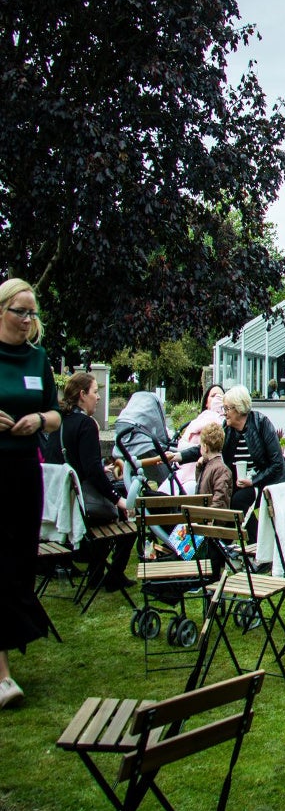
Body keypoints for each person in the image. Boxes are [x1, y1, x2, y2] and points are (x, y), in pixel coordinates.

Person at [0, 279, 60, 709]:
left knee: (21, 559)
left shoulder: (39, 360)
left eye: (33, 313)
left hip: (25, 470)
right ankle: (1, 672)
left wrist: (38, 419)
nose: (28, 320)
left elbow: (57, 412)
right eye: (21, 311)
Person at [57, 372, 133, 591]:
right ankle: (114, 575)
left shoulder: (60, 423)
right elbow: (92, 472)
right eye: (95, 392)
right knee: (127, 521)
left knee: (106, 517)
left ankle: (96, 574)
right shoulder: (86, 424)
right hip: (84, 506)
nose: (98, 397)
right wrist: (118, 499)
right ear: (82, 395)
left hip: (65, 504)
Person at [175, 385, 285, 514]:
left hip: (273, 481)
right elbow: (208, 447)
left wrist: (252, 481)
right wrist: (179, 456)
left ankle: (247, 534)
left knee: (238, 501)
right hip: (244, 483)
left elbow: (277, 465)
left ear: (239, 409)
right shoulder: (228, 429)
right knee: (222, 498)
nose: (224, 412)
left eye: (227, 408)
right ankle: (228, 531)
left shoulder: (261, 424)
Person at [173, 383, 225, 492]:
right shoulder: (197, 422)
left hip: (201, 474)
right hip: (184, 469)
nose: (217, 399)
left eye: (220, 396)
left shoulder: (224, 424)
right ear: (206, 402)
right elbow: (182, 444)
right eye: (213, 395)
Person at [195, 422, 233, 509]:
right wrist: (199, 468)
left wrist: (210, 519)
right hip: (205, 517)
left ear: (205, 447)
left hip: (211, 519)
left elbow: (220, 500)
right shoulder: (209, 466)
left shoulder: (220, 469)